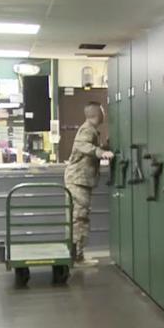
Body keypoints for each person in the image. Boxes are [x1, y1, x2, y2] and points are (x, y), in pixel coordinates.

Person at [64, 102, 113, 263]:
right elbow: (83, 146)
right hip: (78, 180)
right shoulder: (87, 130)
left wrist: (104, 146)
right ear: (98, 114)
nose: (104, 113)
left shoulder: (92, 131)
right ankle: (77, 256)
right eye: (103, 111)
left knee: (79, 216)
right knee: (79, 217)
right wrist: (101, 152)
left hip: (80, 180)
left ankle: (76, 253)